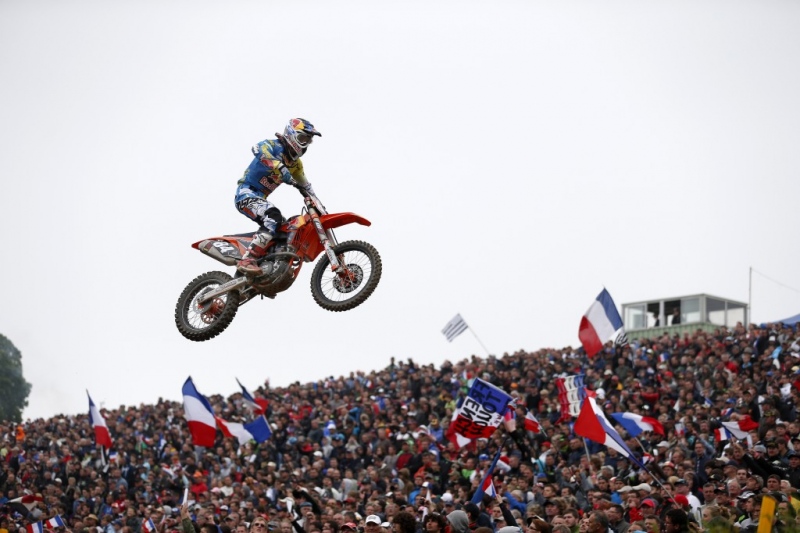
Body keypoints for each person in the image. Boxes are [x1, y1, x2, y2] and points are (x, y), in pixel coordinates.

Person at [234, 118, 322, 275]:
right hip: (245, 193)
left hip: (260, 198)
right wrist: (279, 166)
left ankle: (267, 265)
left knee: (285, 227)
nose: (305, 143)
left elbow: (306, 186)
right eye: (303, 138)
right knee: (273, 216)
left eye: (308, 140)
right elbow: (256, 148)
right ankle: (247, 259)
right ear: (291, 135)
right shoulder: (273, 145)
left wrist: (318, 205)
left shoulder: (296, 165)